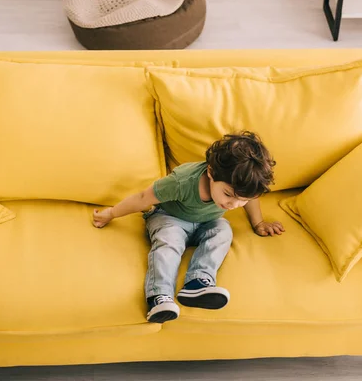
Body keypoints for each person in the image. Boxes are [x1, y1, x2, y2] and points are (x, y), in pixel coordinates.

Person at [92, 131, 284, 323]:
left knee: (223, 230)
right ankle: (160, 296)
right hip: (169, 217)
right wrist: (111, 213)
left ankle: (197, 283)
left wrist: (258, 223)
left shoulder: (240, 192)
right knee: (169, 241)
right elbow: (143, 198)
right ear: (211, 172)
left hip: (205, 222)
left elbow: (250, 198)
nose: (233, 204)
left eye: (241, 200)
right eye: (228, 194)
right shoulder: (182, 181)